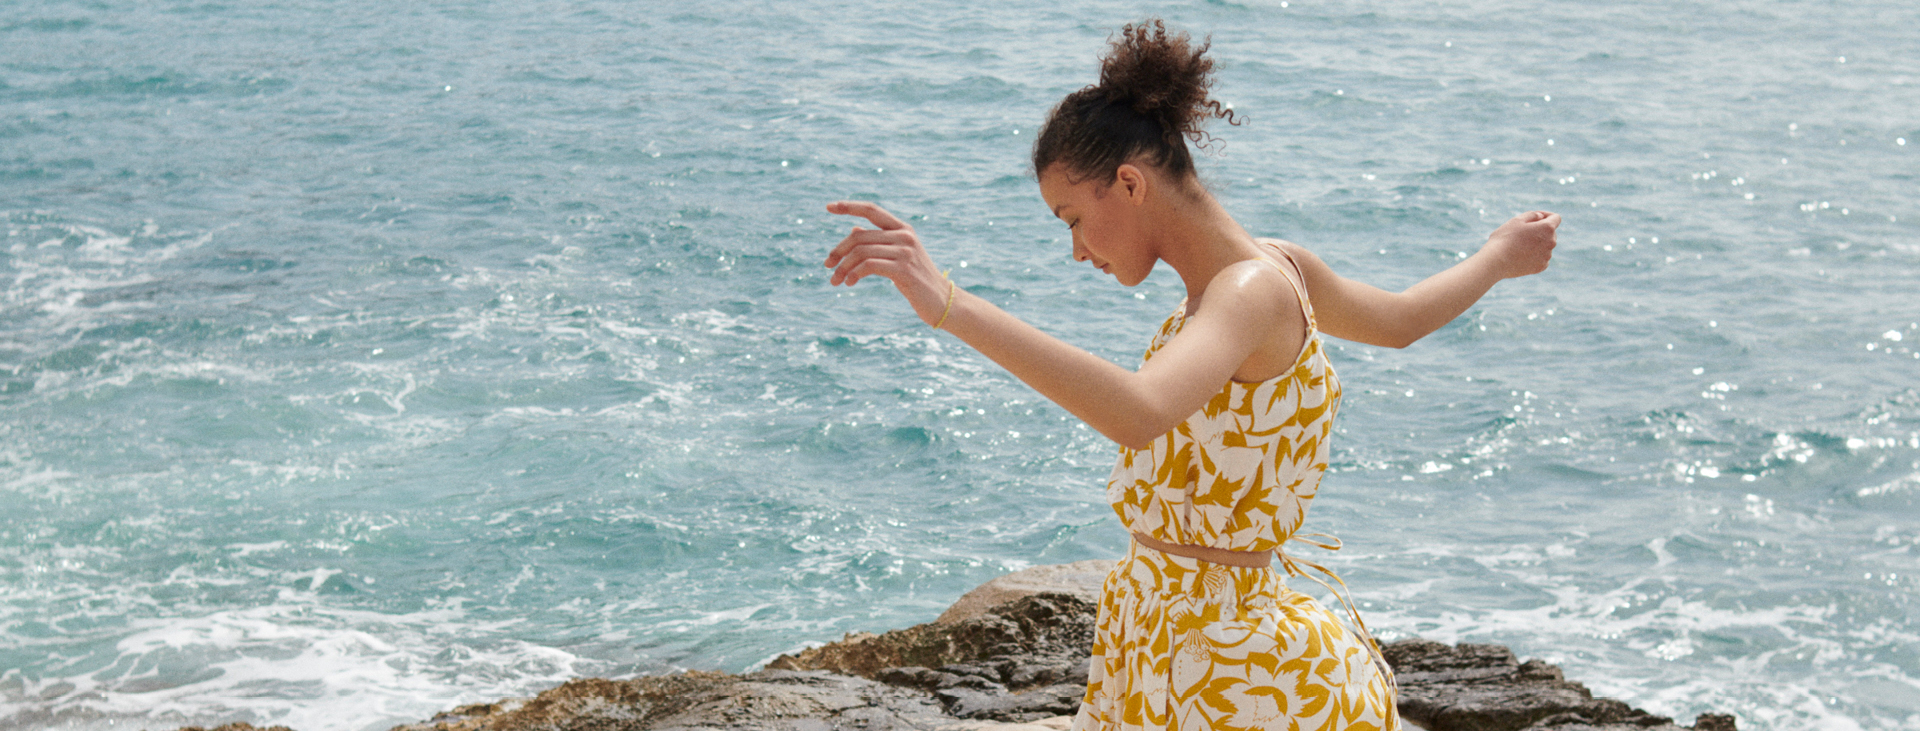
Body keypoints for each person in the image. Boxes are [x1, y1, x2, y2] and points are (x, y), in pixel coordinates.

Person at [823, 18, 1558, 731]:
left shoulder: (1251, 291)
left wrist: (950, 305)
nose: (1076, 249)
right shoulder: (1277, 268)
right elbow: (1399, 321)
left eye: (1071, 218)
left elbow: (1139, 412)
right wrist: (1497, 257)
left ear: (1130, 183)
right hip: (1166, 644)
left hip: (1229, 666)